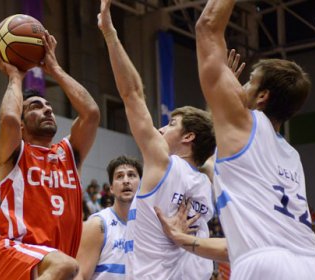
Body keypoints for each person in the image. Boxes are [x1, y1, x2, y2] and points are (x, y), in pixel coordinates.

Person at [191, 0, 315, 278]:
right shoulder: (291, 155)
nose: (240, 85)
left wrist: (224, 95)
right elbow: (215, 161)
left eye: (249, 81)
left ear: (263, 96)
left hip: (266, 263)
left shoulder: (245, 122)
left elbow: (207, 27)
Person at [98, 1, 217, 279]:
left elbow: (132, 94)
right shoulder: (207, 180)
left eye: (171, 124)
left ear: (189, 137)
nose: (162, 129)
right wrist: (220, 97)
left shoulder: (162, 163)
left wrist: (109, 33)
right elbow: (213, 140)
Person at [0, 29, 100, 280]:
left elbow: (91, 113)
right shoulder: (14, 151)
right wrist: (15, 77)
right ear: (21, 124)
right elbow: (8, 118)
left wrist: (55, 69)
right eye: (36, 107)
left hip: (51, 266)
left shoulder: (69, 153)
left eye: (49, 107)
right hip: (14, 254)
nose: (47, 110)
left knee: (66, 267)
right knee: (66, 266)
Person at [74, 155, 142, 280]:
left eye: (131, 175)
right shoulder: (97, 225)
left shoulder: (149, 226)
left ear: (141, 184)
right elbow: (80, 275)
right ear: (111, 188)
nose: (126, 180)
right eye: (119, 176)